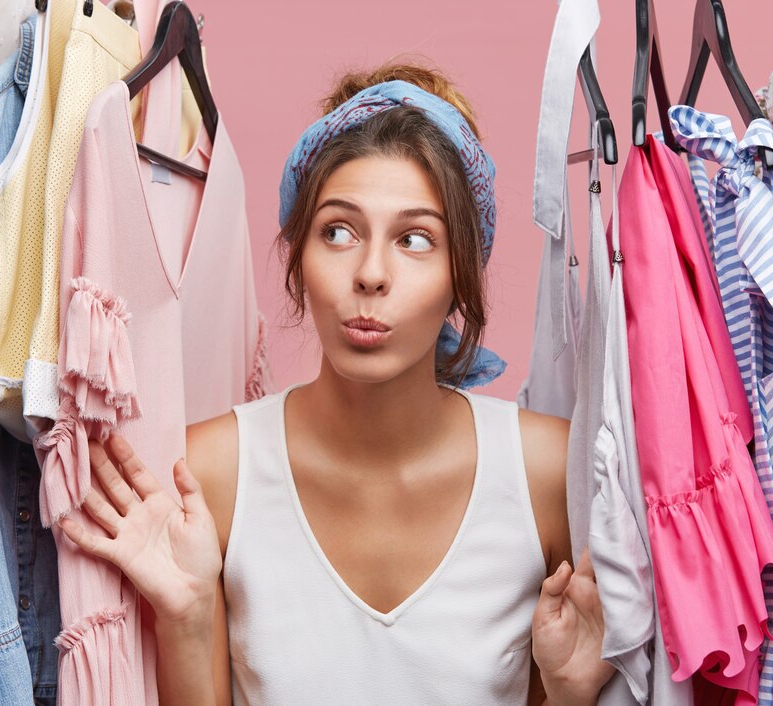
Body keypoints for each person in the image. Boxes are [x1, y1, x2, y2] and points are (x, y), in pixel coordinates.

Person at [58, 63, 616, 705]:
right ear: (299, 257)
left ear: (461, 274)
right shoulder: (209, 472)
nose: (371, 273)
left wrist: (571, 694)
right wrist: (184, 618)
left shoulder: (549, 472)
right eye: (339, 232)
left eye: (414, 239)